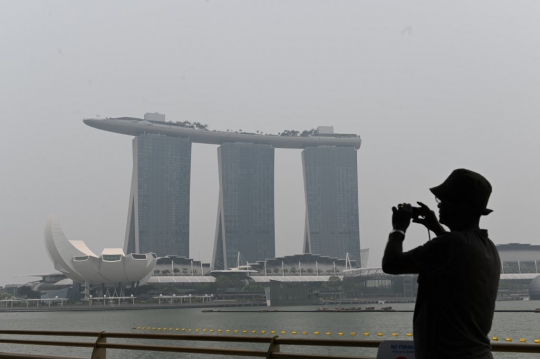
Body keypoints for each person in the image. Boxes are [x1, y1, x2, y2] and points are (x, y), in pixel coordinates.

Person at [382, 169, 500, 359]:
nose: (439, 206)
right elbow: (455, 254)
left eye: (443, 201)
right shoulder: (487, 246)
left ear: (458, 206)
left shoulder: (450, 245)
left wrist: (398, 229)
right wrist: (436, 227)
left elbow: (391, 264)